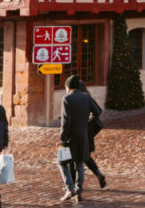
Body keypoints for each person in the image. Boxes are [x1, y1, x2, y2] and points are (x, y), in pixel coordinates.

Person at [58, 74, 94, 203]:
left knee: (62, 162)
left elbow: (65, 120)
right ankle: (78, 192)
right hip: (83, 136)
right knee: (79, 163)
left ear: (68, 86)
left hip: (70, 138)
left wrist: (62, 138)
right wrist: (86, 123)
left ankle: (70, 189)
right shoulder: (86, 97)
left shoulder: (67, 98)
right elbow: (96, 112)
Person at [77, 81, 106, 190]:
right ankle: (99, 174)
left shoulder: (83, 98)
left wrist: (86, 121)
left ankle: (74, 185)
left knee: (76, 157)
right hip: (87, 132)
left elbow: (98, 111)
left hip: (83, 131)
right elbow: (98, 110)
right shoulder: (88, 97)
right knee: (86, 156)